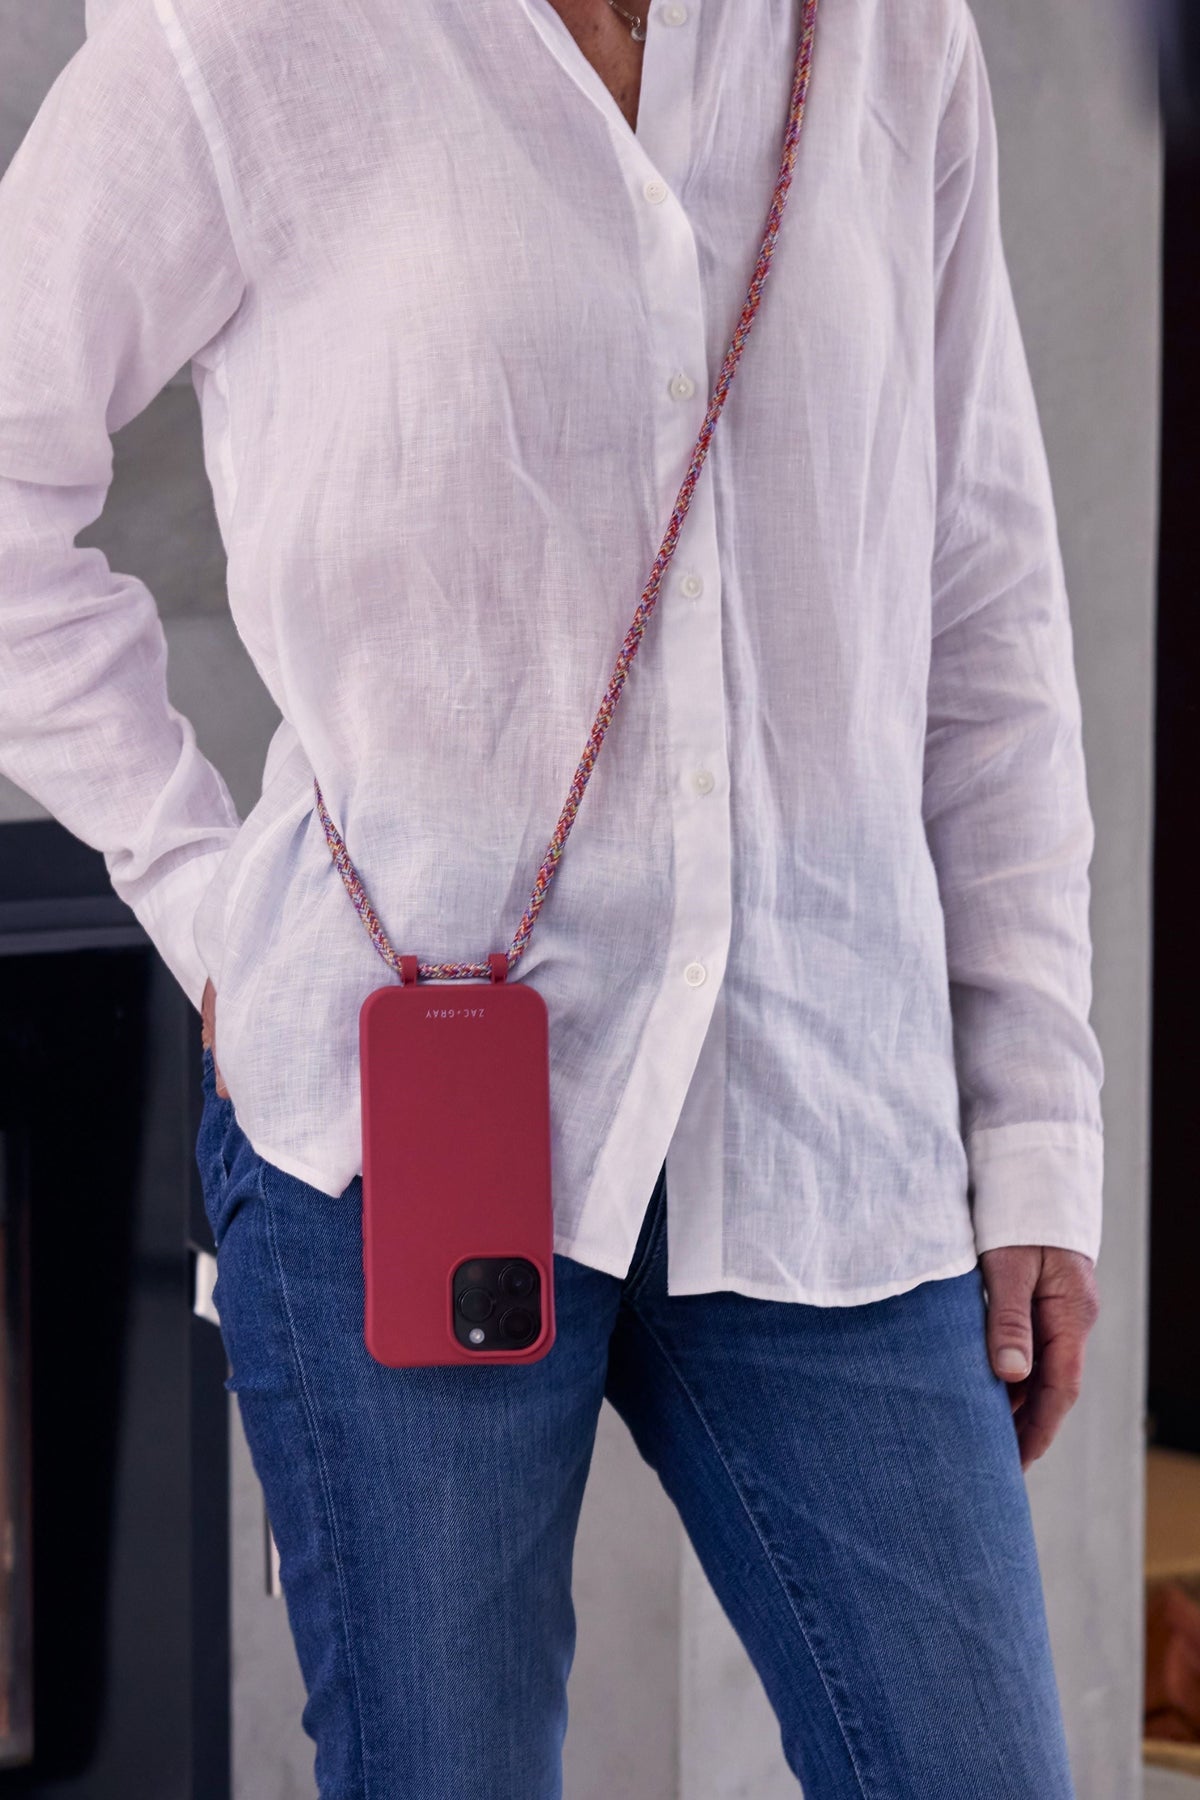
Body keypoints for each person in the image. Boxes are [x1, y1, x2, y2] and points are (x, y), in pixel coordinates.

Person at [0, 0, 1104, 1792]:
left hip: (829, 1120)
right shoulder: (241, 40)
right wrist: (205, 892)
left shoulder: (893, 38)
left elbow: (984, 611)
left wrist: (1039, 1123)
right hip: (389, 1130)